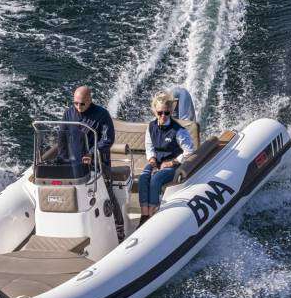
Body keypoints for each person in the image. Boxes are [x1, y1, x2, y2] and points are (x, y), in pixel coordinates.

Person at [60, 86, 124, 240]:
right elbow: (62, 136)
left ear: (90, 100)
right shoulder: (68, 113)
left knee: (107, 192)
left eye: (82, 104)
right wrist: (62, 158)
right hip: (75, 164)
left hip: (98, 163)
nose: (78, 107)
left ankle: (119, 226)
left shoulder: (102, 114)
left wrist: (92, 152)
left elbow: (108, 139)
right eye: (75, 103)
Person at [138, 91, 195, 225]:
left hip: (173, 165)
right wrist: (152, 160)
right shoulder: (151, 127)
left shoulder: (179, 130)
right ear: (155, 112)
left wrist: (172, 162)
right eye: (160, 113)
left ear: (171, 111)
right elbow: (149, 146)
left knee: (156, 179)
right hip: (156, 161)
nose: (163, 116)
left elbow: (189, 151)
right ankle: (144, 215)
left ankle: (152, 214)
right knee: (143, 178)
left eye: (166, 113)